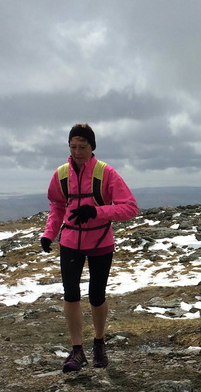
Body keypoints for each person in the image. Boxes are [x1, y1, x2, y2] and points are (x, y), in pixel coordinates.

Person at [41, 123, 138, 372]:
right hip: (71, 242)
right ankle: (77, 351)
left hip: (100, 242)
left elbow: (129, 207)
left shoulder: (106, 173)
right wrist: (49, 234)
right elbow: (56, 206)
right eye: (73, 147)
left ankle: (99, 343)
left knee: (96, 296)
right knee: (71, 295)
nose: (77, 152)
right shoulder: (61, 174)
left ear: (92, 147)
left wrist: (96, 210)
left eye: (82, 147)